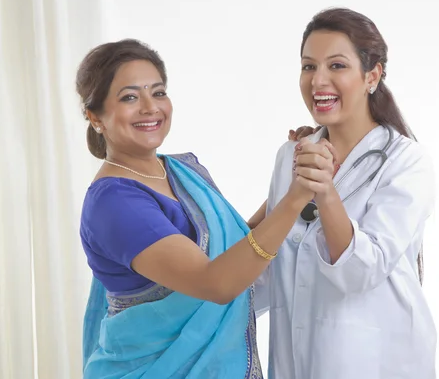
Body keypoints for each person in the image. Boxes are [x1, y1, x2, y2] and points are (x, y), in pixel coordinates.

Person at [77, 39, 321, 378]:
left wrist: (295, 173)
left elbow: (237, 250)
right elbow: (216, 282)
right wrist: (296, 197)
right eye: (130, 97)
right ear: (95, 117)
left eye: (158, 92)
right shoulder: (115, 202)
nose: (150, 107)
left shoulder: (180, 171)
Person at [252, 8, 437, 379]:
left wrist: (324, 191)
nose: (318, 81)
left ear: (372, 75)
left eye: (336, 66)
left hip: (379, 363)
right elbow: (265, 269)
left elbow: (359, 273)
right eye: (308, 67)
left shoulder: (405, 163)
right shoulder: (290, 155)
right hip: (295, 363)